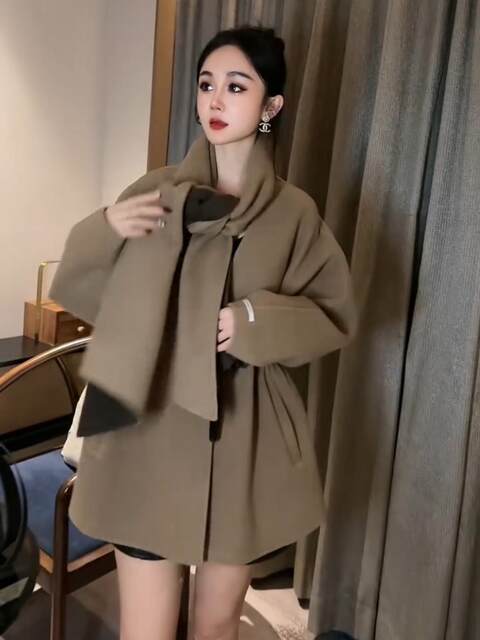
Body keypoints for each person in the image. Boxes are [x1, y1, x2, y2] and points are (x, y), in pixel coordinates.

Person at [50, 25, 357, 640]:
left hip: (243, 436)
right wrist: (107, 226)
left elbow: (333, 315)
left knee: (216, 625)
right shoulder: (156, 191)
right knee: (147, 629)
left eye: (236, 86)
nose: (215, 100)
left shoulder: (294, 213)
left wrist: (251, 321)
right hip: (145, 430)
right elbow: (87, 292)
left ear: (271, 105)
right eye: (206, 84)